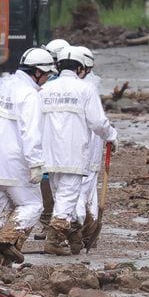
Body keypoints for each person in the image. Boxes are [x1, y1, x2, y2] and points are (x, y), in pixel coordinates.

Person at [0, 46, 54, 264]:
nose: (47, 80)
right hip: (15, 165)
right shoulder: (29, 94)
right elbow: (30, 133)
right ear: (37, 72)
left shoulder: (1, 86)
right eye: (47, 75)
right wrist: (36, 164)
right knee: (32, 206)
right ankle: (7, 240)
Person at [41, 45, 116, 256]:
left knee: (63, 198)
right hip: (73, 155)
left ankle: (75, 239)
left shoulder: (45, 89)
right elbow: (98, 123)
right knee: (67, 197)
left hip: (49, 155)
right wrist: (112, 136)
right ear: (81, 68)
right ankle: (53, 240)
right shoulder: (85, 89)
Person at [71, 46, 108, 244]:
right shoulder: (89, 84)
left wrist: (110, 135)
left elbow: (97, 122)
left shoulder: (88, 86)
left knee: (80, 186)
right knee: (88, 186)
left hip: (87, 142)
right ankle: (88, 225)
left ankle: (82, 227)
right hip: (87, 141)